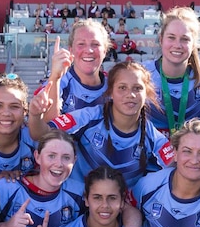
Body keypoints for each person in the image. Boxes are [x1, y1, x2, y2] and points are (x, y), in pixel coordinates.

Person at [30, 61, 174, 190]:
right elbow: (42, 135)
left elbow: (177, 168)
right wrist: (35, 115)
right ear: (110, 92)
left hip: (120, 212)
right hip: (79, 206)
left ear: (147, 93)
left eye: (137, 88)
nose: (130, 94)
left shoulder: (153, 137)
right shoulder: (89, 117)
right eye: (122, 88)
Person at [141, 7, 200, 136]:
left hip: (195, 151)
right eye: (171, 37)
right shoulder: (142, 75)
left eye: (185, 39)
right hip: (153, 152)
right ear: (161, 40)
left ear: (194, 43)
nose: (177, 45)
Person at [41, 20, 110, 119]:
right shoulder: (57, 85)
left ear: (105, 51)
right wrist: (55, 78)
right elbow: (48, 129)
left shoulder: (114, 87)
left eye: (95, 44)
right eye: (81, 44)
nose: (89, 50)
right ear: (71, 50)